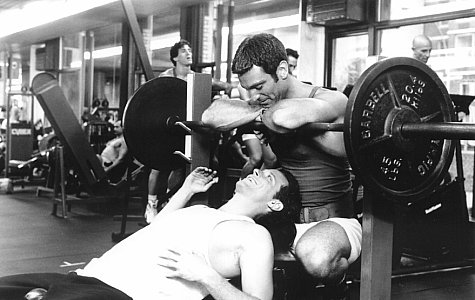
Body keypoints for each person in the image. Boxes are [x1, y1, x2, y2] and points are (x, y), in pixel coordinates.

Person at [202, 33, 362, 289]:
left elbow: (285, 118)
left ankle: (344, 281)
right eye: (247, 88)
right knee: (218, 250)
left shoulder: (331, 99)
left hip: (334, 222)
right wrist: (258, 110)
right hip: (283, 220)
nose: (253, 95)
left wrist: (253, 114)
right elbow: (211, 116)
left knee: (317, 258)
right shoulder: (265, 101)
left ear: (283, 69)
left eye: (259, 86)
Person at [0, 166, 301, 300]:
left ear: (275, 203)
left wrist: (208, 276)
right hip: (83, 277)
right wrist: (187, 190)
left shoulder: (254, 235)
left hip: (117, 295)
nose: (258, 171)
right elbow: (154, 230)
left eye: (268, 177)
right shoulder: (202, 211)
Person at [146, 39, 237, 223]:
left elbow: (222, 85)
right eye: (183, 51)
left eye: (190, 50)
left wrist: (229, 90)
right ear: (174, 57)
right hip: (165, 127)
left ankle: (173, 202)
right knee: (158, 167)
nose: (188, 54)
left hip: (186, 128)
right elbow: (151, 100)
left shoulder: (196, 78)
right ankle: (152, 204)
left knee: (182, 166)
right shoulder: (165, 77)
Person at [237, 85, 277, 178]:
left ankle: (257, 182)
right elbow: (249, 104)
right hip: (250, 124)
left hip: (264, 123)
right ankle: (241, 183)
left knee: (271, 160)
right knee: (256, 158)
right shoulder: (243, 85)